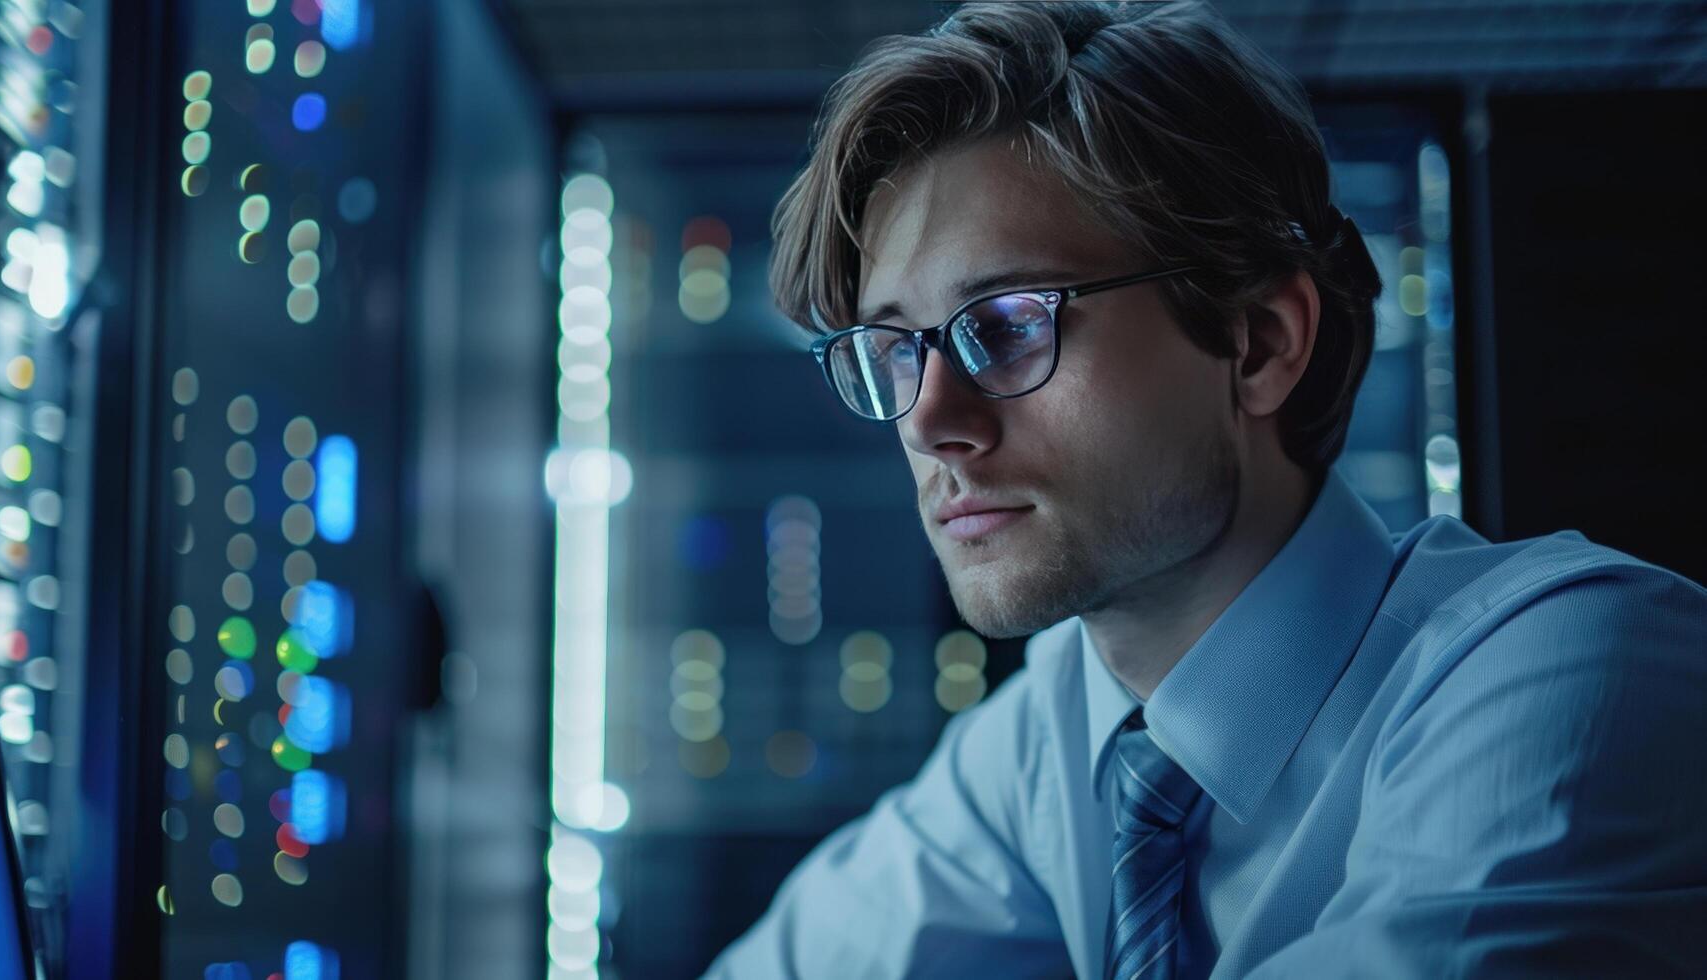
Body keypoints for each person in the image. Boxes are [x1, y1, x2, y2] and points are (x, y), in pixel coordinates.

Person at [706, 2, 1707, 977]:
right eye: (893, 351)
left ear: (1261, 342)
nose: (928, 420)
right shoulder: (1050, 730)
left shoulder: (1573, 666)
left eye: (1009, 321)